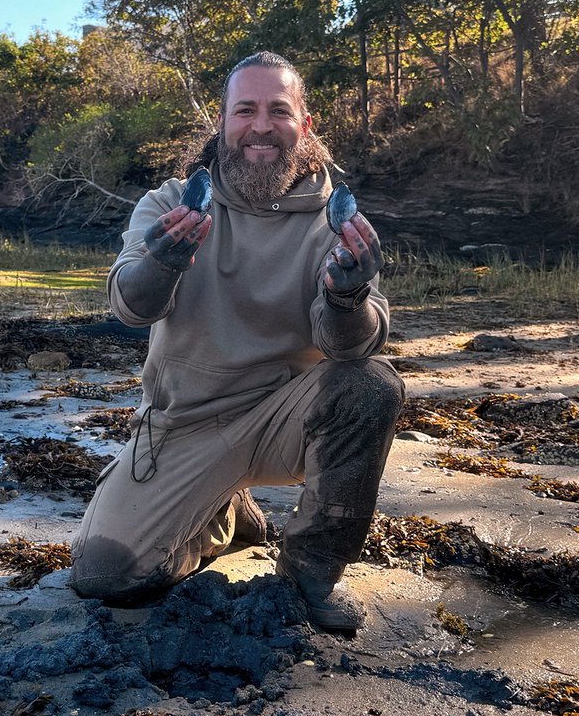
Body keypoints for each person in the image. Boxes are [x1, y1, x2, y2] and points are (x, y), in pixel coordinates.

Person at [71, 51, 404, 629]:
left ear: (304, 125)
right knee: (105, 577)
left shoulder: (336, 221)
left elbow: (354, 347)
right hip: (182, 426)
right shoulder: (170, 203)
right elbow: (129, 306)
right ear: (222, 123)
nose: (260, 125)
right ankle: (226, 515)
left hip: (284, 419)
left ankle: (310, 574)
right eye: (244, 109)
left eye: (279, 110)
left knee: (371, 385)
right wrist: (162, 262)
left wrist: (347, 298)